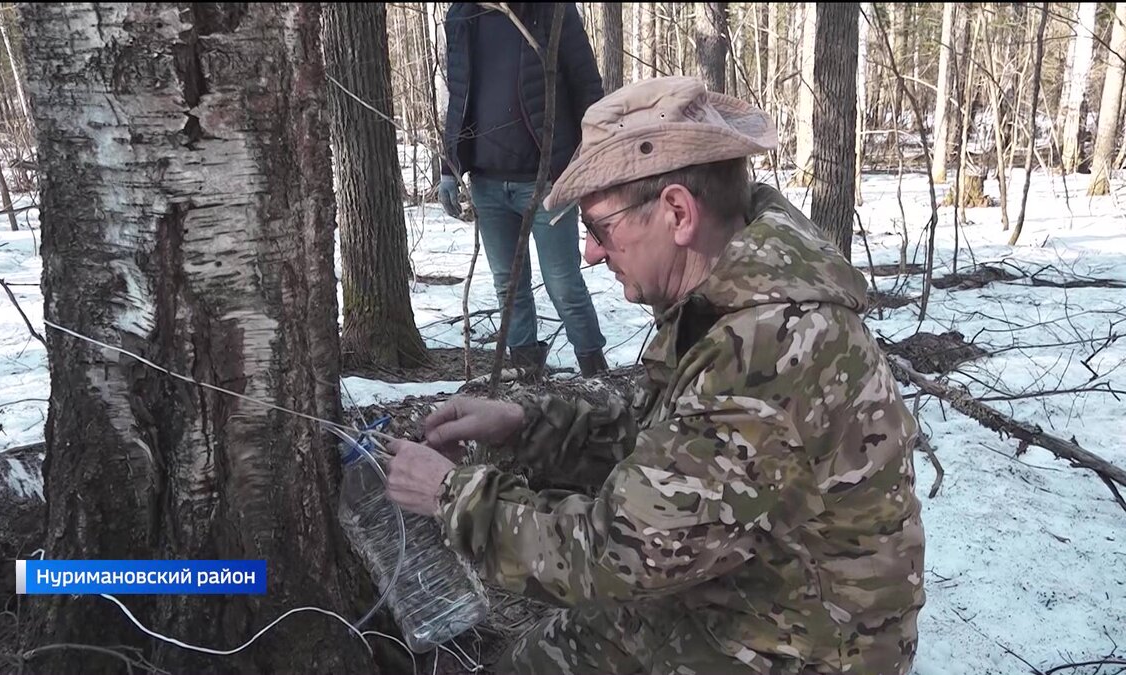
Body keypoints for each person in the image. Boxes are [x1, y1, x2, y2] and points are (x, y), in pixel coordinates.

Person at [388, 76, 926, 674]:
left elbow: (615, 555)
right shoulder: (729, 294)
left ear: (676, 211)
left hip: (800, 648)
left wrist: (450, 496)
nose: (590, 253)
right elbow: (667, 440)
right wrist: (522, 424)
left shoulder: (769, 350)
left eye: (600, 228)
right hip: (742, 596)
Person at [438, 2, 609, 377]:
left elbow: (587, 87)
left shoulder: (551, 11)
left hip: (548, 182)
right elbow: (458, 94)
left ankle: (596, 373)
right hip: (486, 181)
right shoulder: (463, 15)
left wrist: (592, 159)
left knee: (563, 284)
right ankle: (526, 377)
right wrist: (448, 167)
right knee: (508, 287)